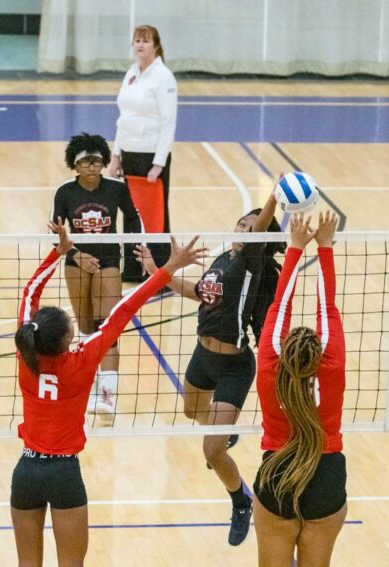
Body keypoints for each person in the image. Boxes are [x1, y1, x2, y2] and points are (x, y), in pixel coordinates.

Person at [11, 218, 205, 566]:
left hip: (26, 472)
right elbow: (122, 310)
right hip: (63, 474)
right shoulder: (82, 361)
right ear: (68, 340)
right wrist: (169, 268)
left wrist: (59, 252)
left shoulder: (27, 358)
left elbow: (29, 293)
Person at [135, 193, 285, 546]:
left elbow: (261, 226)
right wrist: (159, 274)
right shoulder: (223, 257)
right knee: (191, 411)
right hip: (202, 358)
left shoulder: (251, 264)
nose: (244, 229)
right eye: (241, 223)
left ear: (260, 238)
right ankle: (223, 431)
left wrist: (274, 197)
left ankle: (240, 501)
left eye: (252, 227)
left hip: (234, 366)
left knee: (211, 452)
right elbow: (198, 292)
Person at [253, 211, 347, 567]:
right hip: (326, 475)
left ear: (284, 346)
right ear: (319, 351)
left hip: (279, 471)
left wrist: (295, 246)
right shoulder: (332, 364)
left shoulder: (269, 367)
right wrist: (325, 246)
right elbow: (328, 306)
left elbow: (280, 305)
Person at [52, 132, 142, 418]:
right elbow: (55, 234)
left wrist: (133, 256)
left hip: (107, 260)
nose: (92, 167)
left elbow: (132, 219)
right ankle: (88, 386)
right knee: (86, 328)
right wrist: (77, 255)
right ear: (75, 165)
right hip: (76, 260)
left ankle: (107, 396)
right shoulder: (65, 192)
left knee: (107, 328)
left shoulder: (116, 189)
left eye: (97, 161)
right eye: (86, 162)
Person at [108, 24, 177, 283]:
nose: (140, 45)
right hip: (129, 153)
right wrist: (116, 156)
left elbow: (169, 122)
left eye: (145, 41)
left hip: (151, 157)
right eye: (137, 40)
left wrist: (159, 163)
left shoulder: (164, 77)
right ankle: (134, 269)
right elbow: (123, 118)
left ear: (156, 46)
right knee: (130, 212)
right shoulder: (132, 73)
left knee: (155, 216)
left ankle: (160, 272)